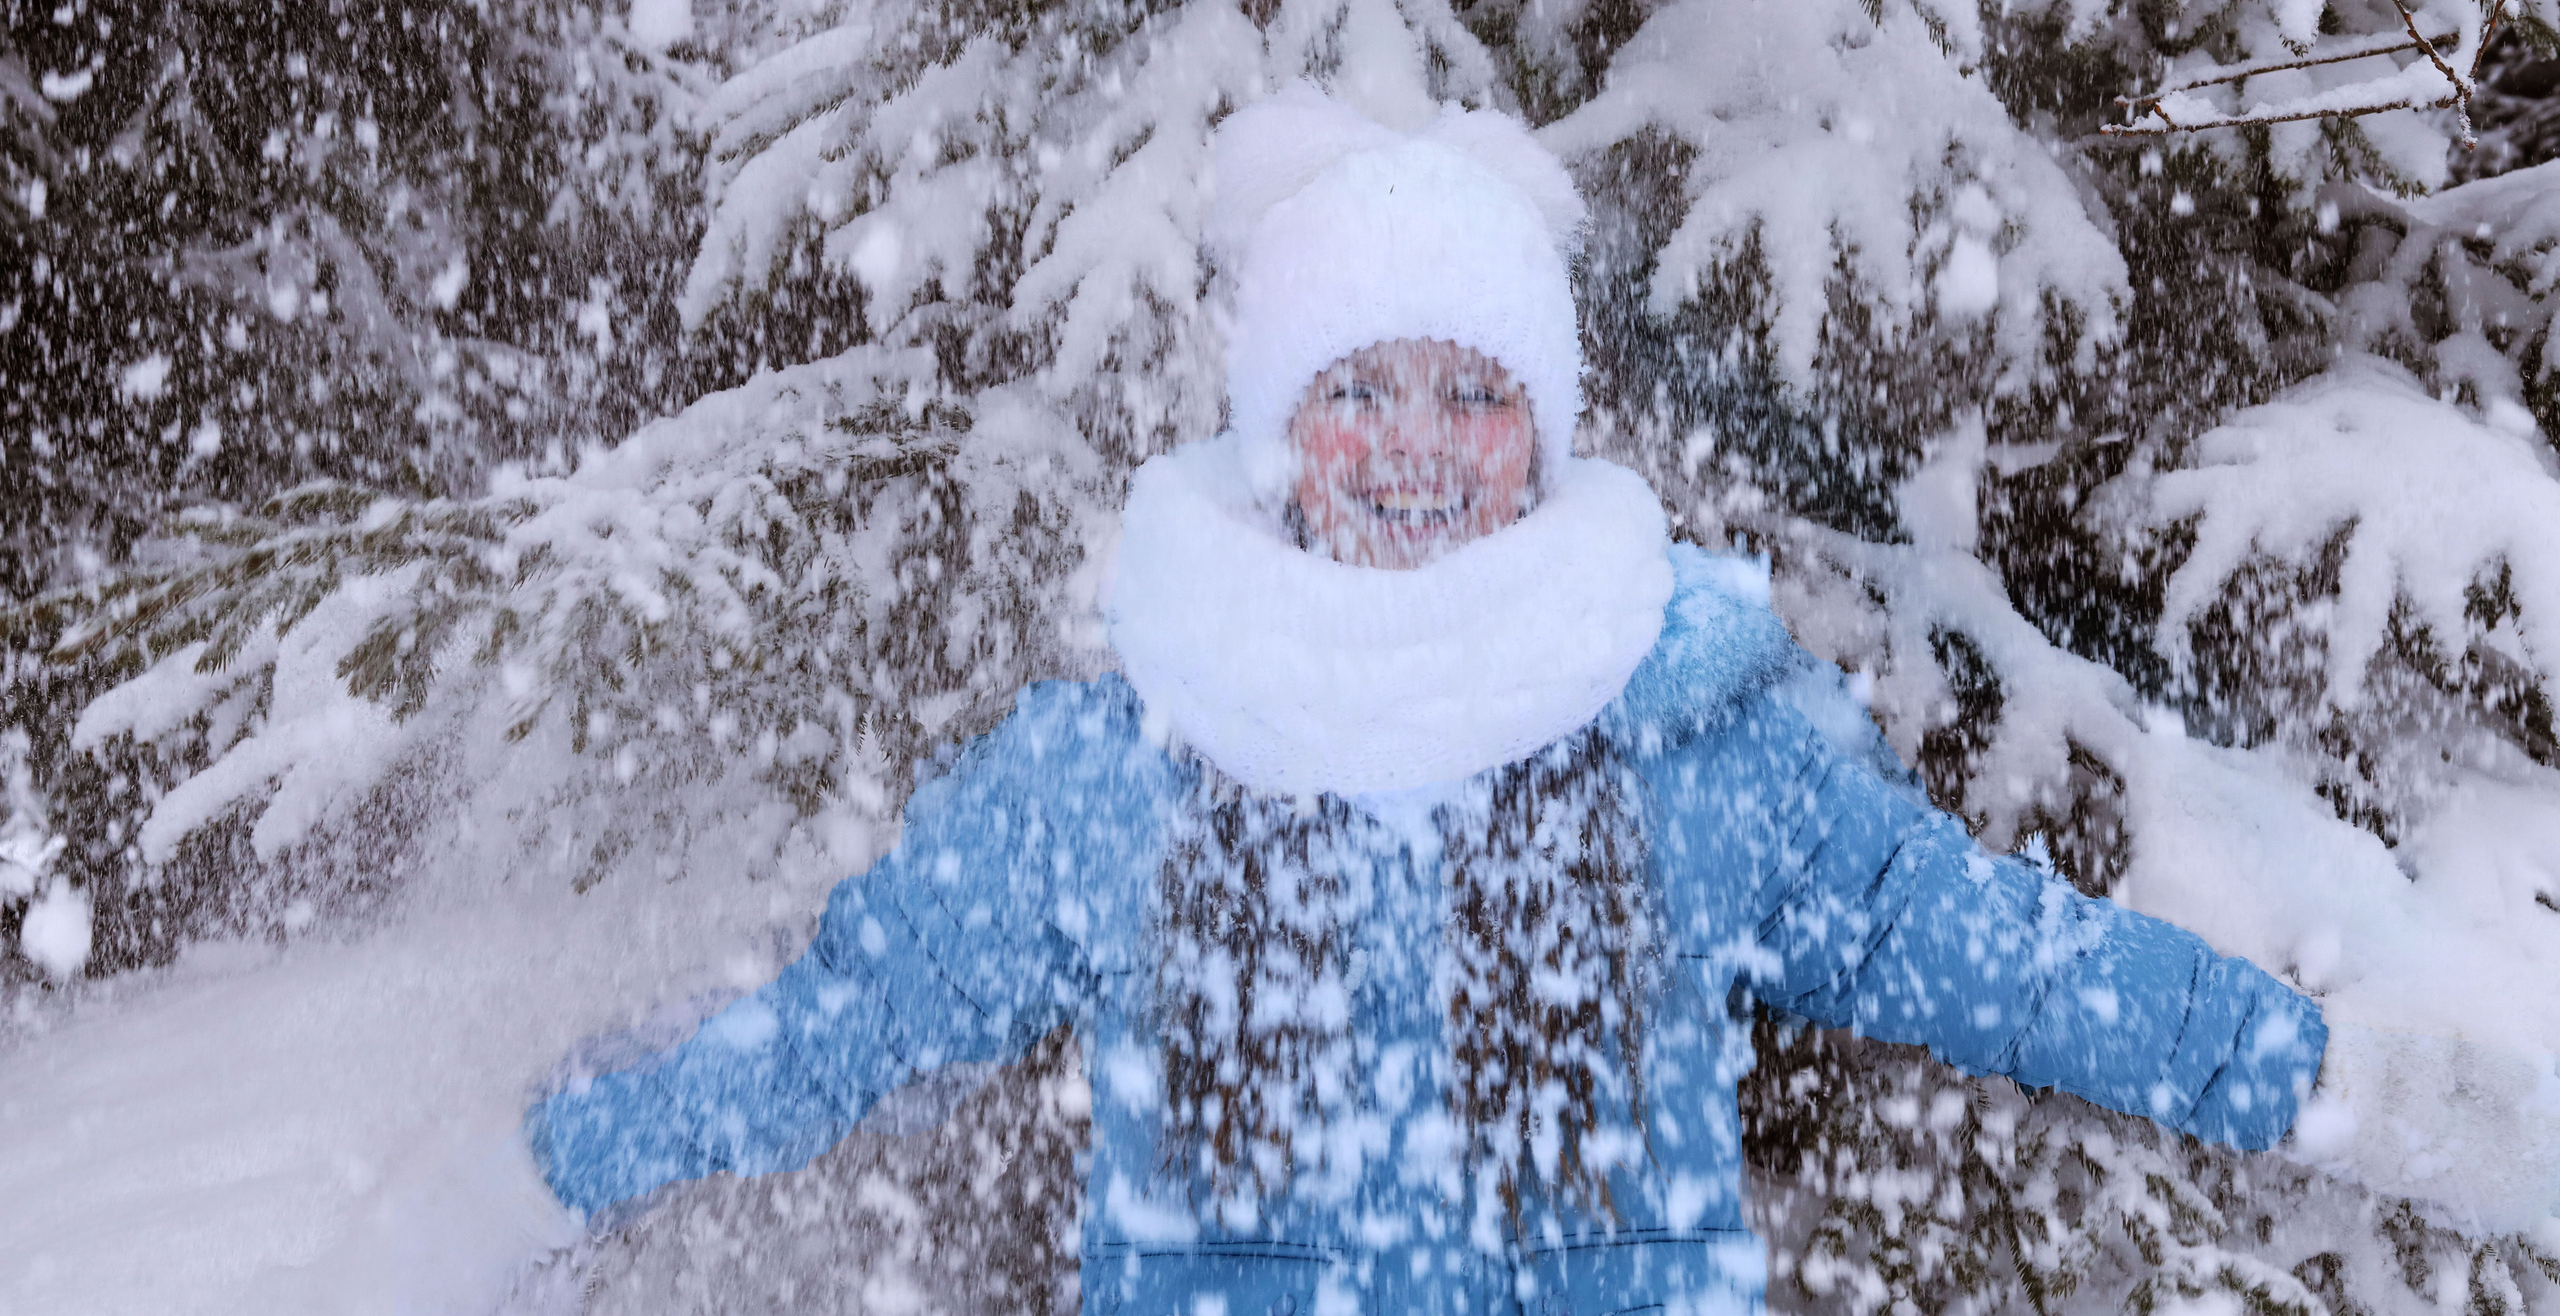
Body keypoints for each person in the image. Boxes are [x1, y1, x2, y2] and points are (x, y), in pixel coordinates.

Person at [472, 86, 2555, 1314]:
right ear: (1273, 429)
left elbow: (2015, 962)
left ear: (1542, 436)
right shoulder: (1113, 774)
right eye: (1355, 388)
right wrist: (542, 1163)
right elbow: (841, 1031)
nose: (1410, 444)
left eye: (1470, 392)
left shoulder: (1694, 737)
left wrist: (2358, 1093)